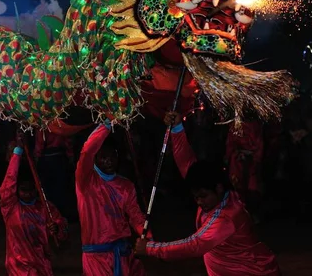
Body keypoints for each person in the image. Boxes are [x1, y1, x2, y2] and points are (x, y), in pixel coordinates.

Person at [134, 112, 280, 276]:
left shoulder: (226, 217)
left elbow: (194, 245)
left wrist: (150, 248)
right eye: (196, 197)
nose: (199, 202)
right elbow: (186, 162)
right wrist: (176, 128)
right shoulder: (212, 189)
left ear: (218, 188)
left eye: (202, 196)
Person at [76, 119, 151, 276]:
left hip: (123, 255)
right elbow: (87, 151)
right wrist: (106, 124)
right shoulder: (86, 181)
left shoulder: (125, 186)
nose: (109, 161)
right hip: (96, 258)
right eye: (103, 156)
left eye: (113, 156)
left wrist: (148, 237)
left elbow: (135, 216)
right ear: (95, 158)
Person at [0, 132, 68, 276]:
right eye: (24, 190)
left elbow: (62, 231)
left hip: (41, 265)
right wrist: (17, 151)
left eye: (32, 190)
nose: (28, 193)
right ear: (17, 190)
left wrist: (56, 229)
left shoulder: (45, 207)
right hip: (19, 267)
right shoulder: (11, 207)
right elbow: (9, 182)